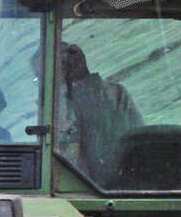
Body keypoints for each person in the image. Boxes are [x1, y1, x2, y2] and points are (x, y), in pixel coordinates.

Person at [56, 42, 141, 180]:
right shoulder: (117, 93)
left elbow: (67, 160)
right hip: (125, 178)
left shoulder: (63, 106)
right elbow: (140, 136)